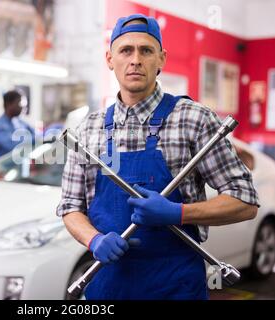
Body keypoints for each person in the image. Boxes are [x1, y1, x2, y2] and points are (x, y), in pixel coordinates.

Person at [56, 14, 259, 300]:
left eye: (146, 50)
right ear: (110, 59)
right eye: (126, 50)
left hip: (176, 286)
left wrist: (179, 213)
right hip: (107, 285)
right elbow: (70, 206)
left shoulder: (194, 120)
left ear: (161, 59)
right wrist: (94, 239)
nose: (135, 59)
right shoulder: (88, 129)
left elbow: (245, 201)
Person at [0, 90, 35, 159]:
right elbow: (13, 146)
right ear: (9, 104)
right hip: (3, 168)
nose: (23, 108)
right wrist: (34, 139)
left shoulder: (21, 123)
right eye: (20, 104)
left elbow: (36, 134)